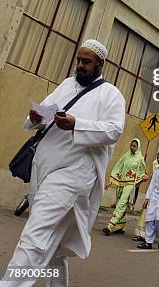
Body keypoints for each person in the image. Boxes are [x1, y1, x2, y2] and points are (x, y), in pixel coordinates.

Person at [0, 39, 125, 287]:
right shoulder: (67, 85)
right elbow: (46, 113)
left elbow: (114, 130)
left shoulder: (111, 95)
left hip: (74, 175)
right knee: (53, 243)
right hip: (44, 171)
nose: (80, 65)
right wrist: (36, 117)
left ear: (100, 64)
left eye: (86, 62)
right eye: (79, 60)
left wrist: (77, 124)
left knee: (35, 234)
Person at [102, 138, 147, 235]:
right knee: (120, 203)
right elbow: (118, 168)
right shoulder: (125, 156)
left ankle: (110, 226)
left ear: (138, 147)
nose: (132, 147)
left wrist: (143, 178)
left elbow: (142, 172)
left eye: (134, 146)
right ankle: (121, 226)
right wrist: (111, 181)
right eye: (131, 145)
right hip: (120, 183)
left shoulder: (140, 159)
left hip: (130, 185)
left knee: (121, 204)